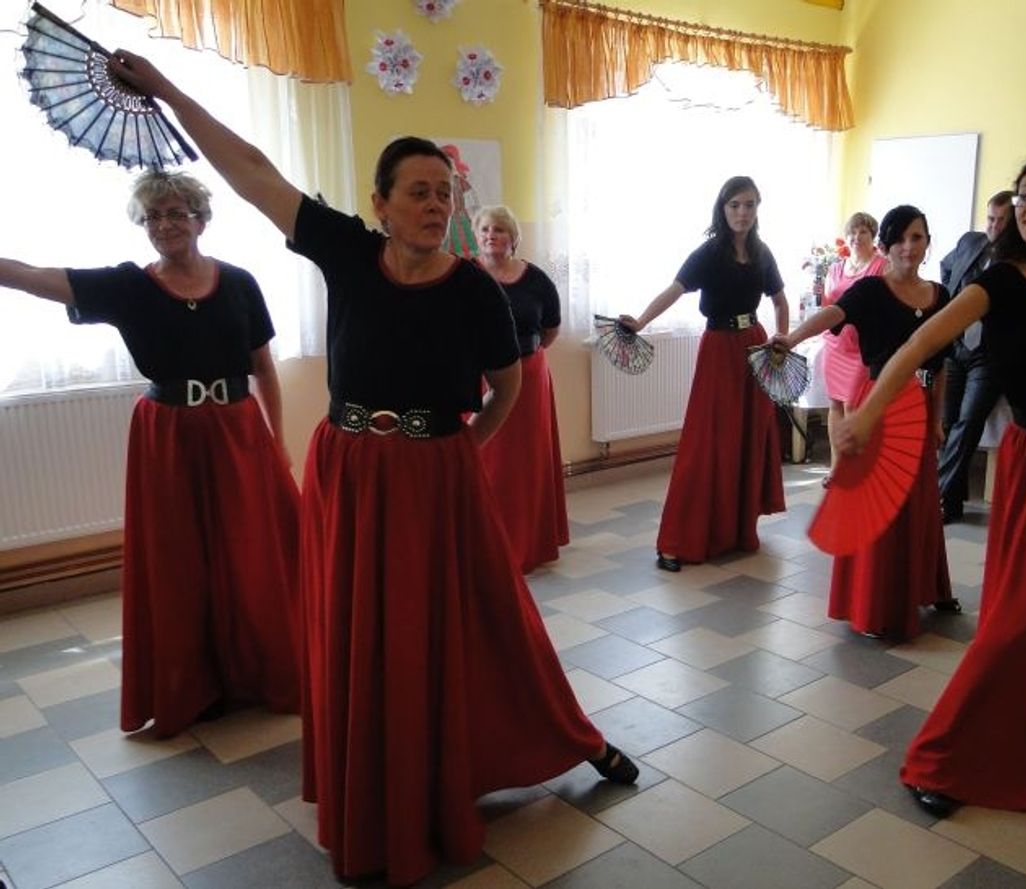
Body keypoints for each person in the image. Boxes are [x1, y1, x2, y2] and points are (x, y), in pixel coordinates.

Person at [107, 52, 638, 887]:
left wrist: (465, 452)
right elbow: (251, 171)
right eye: (417, 192)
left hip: (435, 474)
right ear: (379, 204)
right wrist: (170, 91)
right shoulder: (348, 251)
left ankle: (551, 738)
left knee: (464, 622)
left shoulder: (476, 291)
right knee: (359, 629)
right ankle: (376, 776)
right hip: (350, 470)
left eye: (444, 193)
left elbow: (506, 388)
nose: (435, 206)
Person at [834, 151, 1026, 816]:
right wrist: (864, 416)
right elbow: (918, 347)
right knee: (1024, 611)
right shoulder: (997, 283)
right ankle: (944, 755)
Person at [0, 171, 302, 738]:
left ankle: (258, 671)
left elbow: (263, 367)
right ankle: (196, 683)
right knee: (181, 563)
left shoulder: (239, 283)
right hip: (168, 437)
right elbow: (38, 279)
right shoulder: (128, 287)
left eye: (176, 213)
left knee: (252, 554)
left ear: (200, 220)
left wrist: (278, 440)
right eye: (153, 217)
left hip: (239, 431)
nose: (164, 225)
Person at [773, 205, 957, 640]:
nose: (909, 247)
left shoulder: (941, 295)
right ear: (886, 246)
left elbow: (942, 364)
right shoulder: (871, 290)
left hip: (922, 405)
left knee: (922, 504)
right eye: (900, 239)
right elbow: (832, 315)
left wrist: (937, 417)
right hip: (880, 406)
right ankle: (875, 605)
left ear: (928, 243)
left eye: (918, 237)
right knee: (881, 509)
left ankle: (926, 587)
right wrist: (791, 337)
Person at [620, 176, 789, 572]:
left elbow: (780, 299)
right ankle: (677, 540)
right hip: (719, 349)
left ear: (757, 209)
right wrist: (642, 321)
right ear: (722, 208)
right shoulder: (709, 253)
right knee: (707, 441)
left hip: (756, 347)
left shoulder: (763, 253)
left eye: (749, 205)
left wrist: (783, 338)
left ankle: (737, 531)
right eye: (735, 205)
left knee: (748, 437)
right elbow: (674, 290)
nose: (742, 213)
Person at [473, 204, 569, 572]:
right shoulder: (467, 274)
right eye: (484, 230)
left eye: (498, 230)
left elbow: (550, 329)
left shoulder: (536, 279)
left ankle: (528, 542)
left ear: (512, 237)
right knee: (487, 459)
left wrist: (521, 360)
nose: (490, 236)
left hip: (528, 377)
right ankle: (486, 542)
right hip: (479, 375)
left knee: (526, 462)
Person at [936, 190, 1014, 522]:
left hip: (991, 355)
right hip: (958, 348)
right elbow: (946, 268)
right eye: (991, 218)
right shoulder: (971, 242)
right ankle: (951, 502)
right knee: (948, 422)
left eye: (1001, 221)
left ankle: (938, 495)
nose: (994, 226)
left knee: (968, 424)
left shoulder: (1022, 259)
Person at [820, 212, 888, 484]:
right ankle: (837, 467)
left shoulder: (882, 266)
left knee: (853, 406)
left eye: (863, 232)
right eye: (852, 233)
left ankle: (856, 467)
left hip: (862, 348)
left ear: (873, 236)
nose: (857, 237)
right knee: (835, 404)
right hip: (835, 345)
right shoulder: (835, 269)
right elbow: (827, 305)